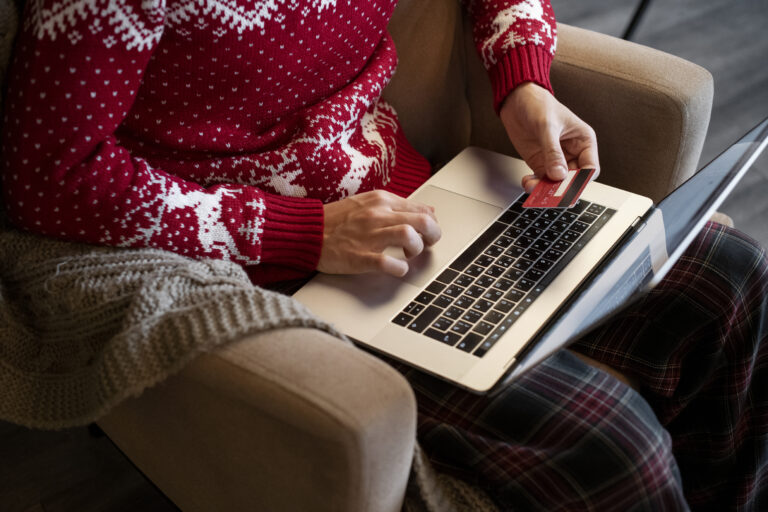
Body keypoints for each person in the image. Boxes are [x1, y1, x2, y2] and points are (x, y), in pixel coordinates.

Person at [1, 0, 765, 510]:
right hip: (272, 267)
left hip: (426, 204)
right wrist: (309, 234)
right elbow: (46, 174)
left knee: (733, 280)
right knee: (610, 445)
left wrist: (523, 83)